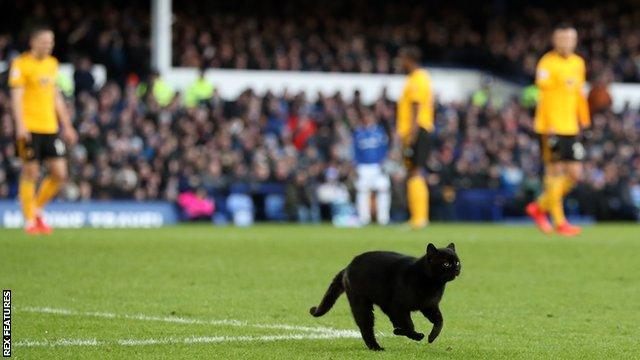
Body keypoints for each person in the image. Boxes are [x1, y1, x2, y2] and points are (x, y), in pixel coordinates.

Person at [9, 25, 78, 234]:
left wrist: (66, 125)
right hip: (30, 127)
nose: (49, 46)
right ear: (33, 42)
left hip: (50, 127)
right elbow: (16, 97)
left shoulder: (52, 64)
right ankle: (29, 220)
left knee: (60, 174)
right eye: (45, 42)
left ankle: (37, 209)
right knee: (31, 172)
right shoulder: (21, 64)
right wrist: (20, 125)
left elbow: (55, 96)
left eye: (51, 42)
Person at [525, 23, 590, 236]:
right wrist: (550, 126)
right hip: (550, 126)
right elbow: (545, 97)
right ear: (555, 40)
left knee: (574, 174)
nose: (566, 43)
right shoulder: (547, 63)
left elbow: (579, 94)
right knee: (554, 172)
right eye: (562, 39)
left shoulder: (578, 63)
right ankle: (560, 222)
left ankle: (539, 207)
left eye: (570, 39)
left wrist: (584, 119)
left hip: (571, 126)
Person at [396, 46, 434, 229]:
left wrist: (411, 134)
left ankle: (420, 218)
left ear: (410, 59)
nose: (400, 62)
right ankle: (416, 217)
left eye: (402, 58)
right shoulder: (414, 78)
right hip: (414, 131)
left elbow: (416, 108)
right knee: (412, 172)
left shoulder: (418, 79)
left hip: (418, 130)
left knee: (416, 171)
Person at [352, 108, 390, 225]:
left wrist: (384, 163)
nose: (367, 119)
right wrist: (355, 165)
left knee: (383, 189)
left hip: (377, 165)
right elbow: (354, 150)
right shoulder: (358, 133)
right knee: (362, 192)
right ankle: (364, 218)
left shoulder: (379, 131)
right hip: (363, 166)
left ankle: (383, 218)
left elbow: (385, 149)